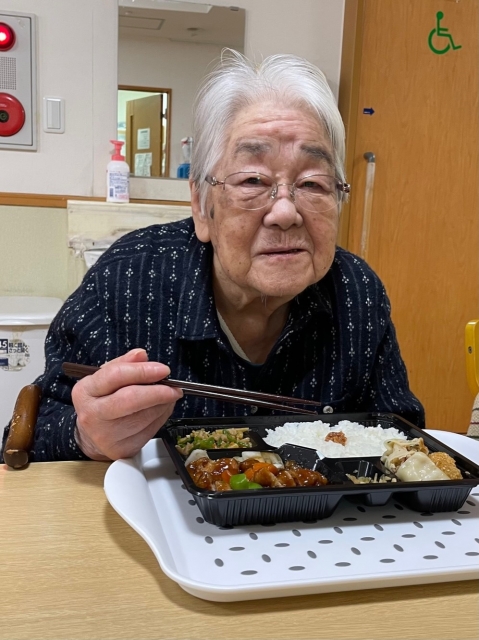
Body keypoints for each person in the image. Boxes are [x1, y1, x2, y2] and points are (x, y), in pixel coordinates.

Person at [1, 51, 424, 463]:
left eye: (313, 183)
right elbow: (26, 441)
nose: (285, 212)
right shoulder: (127, 278)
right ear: (202, 206)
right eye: (253, 180)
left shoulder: (356, 292)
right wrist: (88, 437)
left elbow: (404, 438)